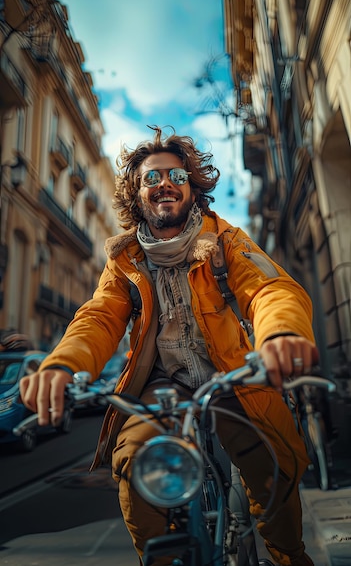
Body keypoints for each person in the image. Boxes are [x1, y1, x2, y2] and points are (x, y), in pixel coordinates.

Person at [20, 125, 319, 566]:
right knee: (137, 470)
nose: (165, 184)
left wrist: (280, 334)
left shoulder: (227, 241)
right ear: (137, 194)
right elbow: (99, 316)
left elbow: (269, 290)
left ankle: (290, 557)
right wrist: (61, 365)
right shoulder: (124, 260)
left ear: (193, 189)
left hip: (231, 380)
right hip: (162, 388)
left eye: (177, 177)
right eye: (151, 178)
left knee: (273, 465)